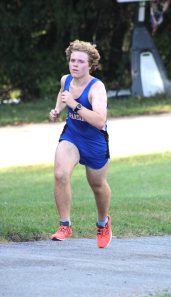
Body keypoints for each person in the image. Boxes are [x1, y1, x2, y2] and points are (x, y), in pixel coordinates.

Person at [49, 40, 112, 248]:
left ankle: (103, 223)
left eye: (80, 61)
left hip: (94, 141)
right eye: (72, 60)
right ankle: (65, 224)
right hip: (72, 137)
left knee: (97, 185)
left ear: (90, 65)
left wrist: (74, 105)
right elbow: (62, 94)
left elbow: (99, 120)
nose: (75, 64)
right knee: (60, 174)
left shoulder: (97, 88)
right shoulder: (66, 79)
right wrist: (57, 110)